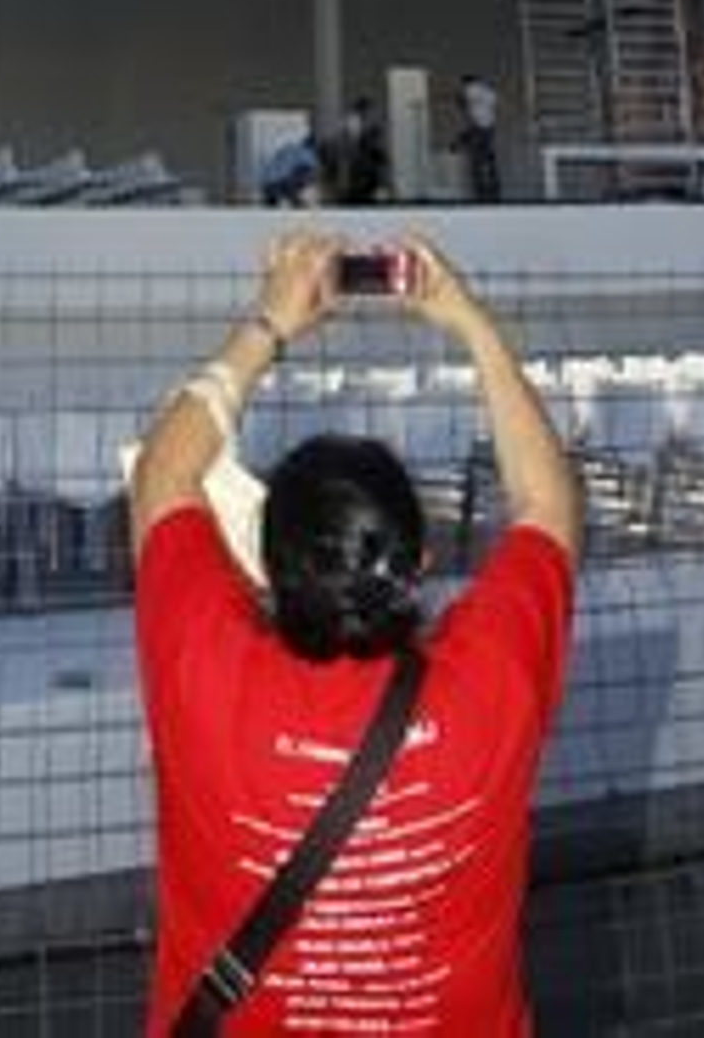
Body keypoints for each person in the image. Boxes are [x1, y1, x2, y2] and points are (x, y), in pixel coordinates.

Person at [131, 229, 581, 1034]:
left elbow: (164, 475)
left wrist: (269, 322)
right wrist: (471, 325)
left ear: (264, 566)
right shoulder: (489, 686)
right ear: (424, 558)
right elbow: (547, 508)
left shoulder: (206, 671)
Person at [455, 71, 500, 203]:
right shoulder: (488, 90)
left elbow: (461, 100)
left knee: (478, 160)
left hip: (479, 127)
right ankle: (492, 189)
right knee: (488, 158)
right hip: (488, 126)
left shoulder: (472, 89)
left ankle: (482, 191)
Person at [258, 129, 322, 207]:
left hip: (266, 183)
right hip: (279, 183)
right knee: (308, 175)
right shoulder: (308, 155)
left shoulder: (291, 148)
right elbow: (304, 175)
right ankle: (296, 200)